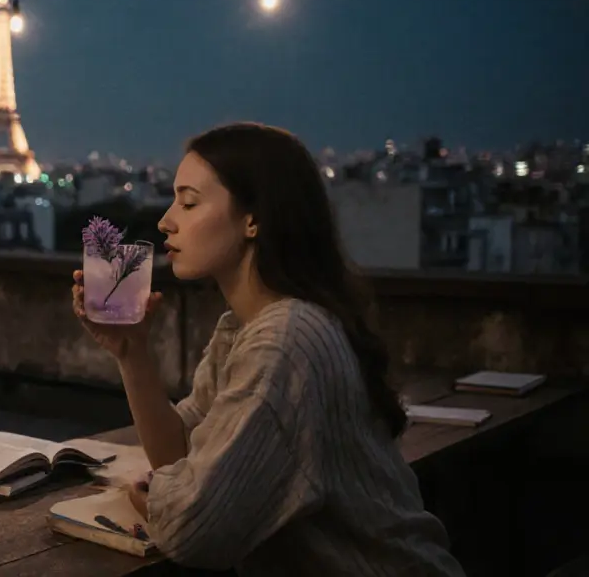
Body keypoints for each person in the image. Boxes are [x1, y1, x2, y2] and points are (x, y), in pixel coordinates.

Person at [71, 123, 465, 575]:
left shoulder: (286, 339)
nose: (166, 220)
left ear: (253, 219)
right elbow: (181, 450)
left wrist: (153, 495)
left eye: (189, 201)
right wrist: (131, 352)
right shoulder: (246, 327)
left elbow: (193, 530)